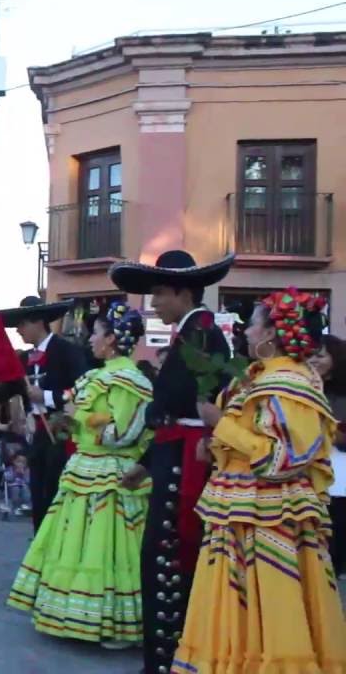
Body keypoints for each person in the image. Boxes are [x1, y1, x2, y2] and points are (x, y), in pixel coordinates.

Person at [172, 288, 346, 673]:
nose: (244, 331)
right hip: (240, 509)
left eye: (251, 324)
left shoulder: (292, 384)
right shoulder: (257, 376)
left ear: (271, 333)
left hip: (271, 516)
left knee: (273, 602)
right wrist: (214, 442)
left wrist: (222, 427)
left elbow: (282, 459)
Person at [108, 250, 233, 674]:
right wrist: (146, 462)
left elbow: (209, 404)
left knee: (170, 557)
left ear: (183, 292)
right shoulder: (191, 333)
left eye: (160, 293)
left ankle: (169, 660)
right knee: (163, 558)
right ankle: (165, 656)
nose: (154, 303)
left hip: (187, 462)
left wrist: (203, 439)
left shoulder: (202, 334)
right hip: (173, 455)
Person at [7, 302, 154, 648]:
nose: (90, 339)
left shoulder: (127, 379)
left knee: (109, 547)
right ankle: (78, 614)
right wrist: (67, 422)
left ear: (112, 341)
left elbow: (126, 432)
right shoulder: (96, 376)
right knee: (79, 543)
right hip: (85, 468)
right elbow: (82, 416)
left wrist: (84, 422)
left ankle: (115, 623)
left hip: (111, 472)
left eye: (97, 333)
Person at [0, 295, 89, 532]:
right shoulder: (25, 359)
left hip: (63, 433)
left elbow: (83, 390)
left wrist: (46, 396)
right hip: (38, 433)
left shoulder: (68, 351)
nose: (17, 330)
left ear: (38, 322)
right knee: (37, 492)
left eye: (22, 324)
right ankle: (40, 543)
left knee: (54, 492)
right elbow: (11, 389)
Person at [309, 334, 346, 576]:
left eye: (320, 355)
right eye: (309, 354)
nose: (312, 360)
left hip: (339, 481)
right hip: (308, 481)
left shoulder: (341, 397)